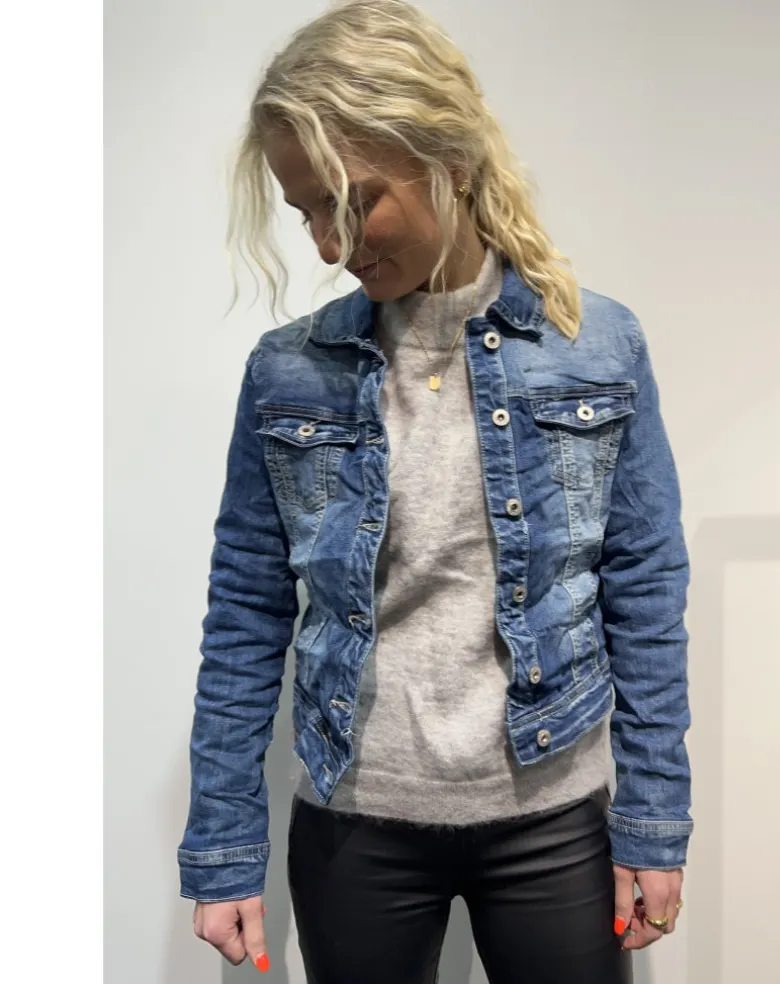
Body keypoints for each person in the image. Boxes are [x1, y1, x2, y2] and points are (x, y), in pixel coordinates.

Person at [177, 2, 692, 981]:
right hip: (355, 826)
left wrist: (655, 819)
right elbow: (243, 612)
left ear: (447, 156)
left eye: (351, 201)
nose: (330, 246)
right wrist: (224, 846)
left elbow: (645, 592)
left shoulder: (596, 348)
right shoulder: (288, 373)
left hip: (554, 818)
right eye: (305, 212)